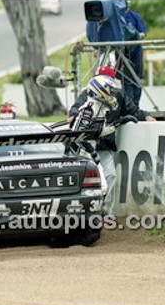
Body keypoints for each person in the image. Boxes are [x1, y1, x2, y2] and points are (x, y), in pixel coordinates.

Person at [67, 71, 156, 216]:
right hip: (84, 151)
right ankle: (82, 214)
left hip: (101, 147)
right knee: (90, 182)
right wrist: (93, 155)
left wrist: (121, 122)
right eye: (109, 88)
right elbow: (81, 134)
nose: (113, 92)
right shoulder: (88, 107)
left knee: (109, 177)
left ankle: (104, 212)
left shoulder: (106, 104)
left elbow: (99, 130)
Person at [123, 0, 147, 106]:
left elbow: (142, 34)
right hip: (122, 52)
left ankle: (136, 105)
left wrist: (133, 34)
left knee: (137, 78)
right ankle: (129, 105)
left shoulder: (134, 16)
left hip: (135, 51)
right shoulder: (117, 19)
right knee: (125, 79)